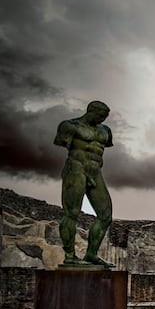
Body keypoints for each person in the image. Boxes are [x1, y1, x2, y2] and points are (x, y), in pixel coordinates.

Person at [54, 101, 114, 267]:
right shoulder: (69, 126)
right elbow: (62, 142)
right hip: (76, 169)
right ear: (90, 111)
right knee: (72, 213)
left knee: (106, 216)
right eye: (101, 115)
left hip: (96, 172)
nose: (103, 119)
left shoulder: (105, 131)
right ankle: (70, 256)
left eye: (105, 116)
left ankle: (91, 254)